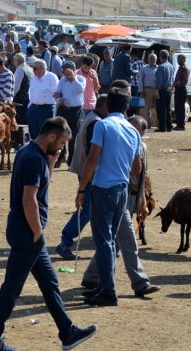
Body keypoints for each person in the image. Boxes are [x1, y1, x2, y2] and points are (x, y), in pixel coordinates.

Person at [0, 117, 97, 351]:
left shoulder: (29, 152)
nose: (62, 147)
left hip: (27, 232)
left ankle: (67, 333)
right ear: (51, 137)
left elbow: (41, 186)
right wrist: (37, 232)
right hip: (28, 232)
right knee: (11, 288)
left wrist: (51, 161)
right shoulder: (34, 159)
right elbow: (29, 199)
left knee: (50, 282)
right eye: (62, 142)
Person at [80, 115, 160, 298]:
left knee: (110, 241)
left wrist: (142, 201)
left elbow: (141, 175)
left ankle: (93, 277)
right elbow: (92, 159)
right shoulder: (112, 135)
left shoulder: (138, 146)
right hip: (115, 193)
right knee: (120, 240)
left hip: (122, 195)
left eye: (136, 131)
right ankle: (139, 282)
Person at [76, 87, 142, 306]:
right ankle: (105, 287)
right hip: (122, 188)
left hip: (103, 188)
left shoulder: (103, 125)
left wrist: (82, 188)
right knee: (110, 241)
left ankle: (107, 291)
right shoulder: (133, 130)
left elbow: (93, 158)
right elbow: (136, 167)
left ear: (106, 106)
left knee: (104, 242)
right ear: (126, 106)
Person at [56, 95, 108, 260]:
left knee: (92, 209)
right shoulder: (96, 122)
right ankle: (65, 241)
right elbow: (92, 153)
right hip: (89, 172)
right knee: (87, 210)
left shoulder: (90, 117)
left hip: (85, 170)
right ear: (104, 107)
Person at [54, 60, 86, 166]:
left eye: (67, 70)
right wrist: (59, 100)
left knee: (74, 136)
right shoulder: (62, 80)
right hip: (63, 109)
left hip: (76, 110)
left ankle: (71, 160)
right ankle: (60, 157)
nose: (64, 72)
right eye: (63, 70)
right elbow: (58, 94)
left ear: (73, 70)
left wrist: (73, 78)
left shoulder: (81, 79)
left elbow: (80, 90)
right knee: (60, 134)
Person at [27, 59, 58, 139]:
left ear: (42, 68)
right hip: (34, 108)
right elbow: (31, 92)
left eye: (35, 68)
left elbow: (56, 93)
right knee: (33, 132)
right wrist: (30, 106)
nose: (33, 70)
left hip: (47, 109)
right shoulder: (34, 78)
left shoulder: (52, 77)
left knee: (46, 133)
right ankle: (35, 150)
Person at [154, 50, 173, 132]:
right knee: (168, 109)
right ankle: (169, 126)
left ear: (160, 56)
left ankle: (162, 127)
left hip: (162, 89)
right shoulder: (171, 66)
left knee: (161, 109)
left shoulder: (161, 67)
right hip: (169, 89)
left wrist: (156, 91)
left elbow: (159, 80)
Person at [137, 53, 157, 127]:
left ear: (156, 59)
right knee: (147, 108)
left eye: (153, 58)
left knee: (156, 108)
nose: (152, 60)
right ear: (148, 59)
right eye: (151, 58)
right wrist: (141, 91)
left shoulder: (158, 68)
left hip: (156, 90)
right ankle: (148, 124)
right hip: (147, 89)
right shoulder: (144, 68)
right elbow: (140, 80)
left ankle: (157, 123)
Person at [12, 53, 32, 125]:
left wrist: (12, 97)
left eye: (14, 61)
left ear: (18, 61)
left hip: (21, 98)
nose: (13, 63)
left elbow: (16, 86)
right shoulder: (29, 68)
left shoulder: (20, 69)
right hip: (29, 97)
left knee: (23, 119)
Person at [172, 54, 189, 130]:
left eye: (180, 59)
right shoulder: (180, 68)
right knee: (177, 107)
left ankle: (181, 125)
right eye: (178, 59)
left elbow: (184, 81)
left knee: (181, 108)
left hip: (181, 89)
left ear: (184, 60)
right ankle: (178, 124)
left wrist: (176, 83)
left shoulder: (185, 69)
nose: (179, 61)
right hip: (178, 90)